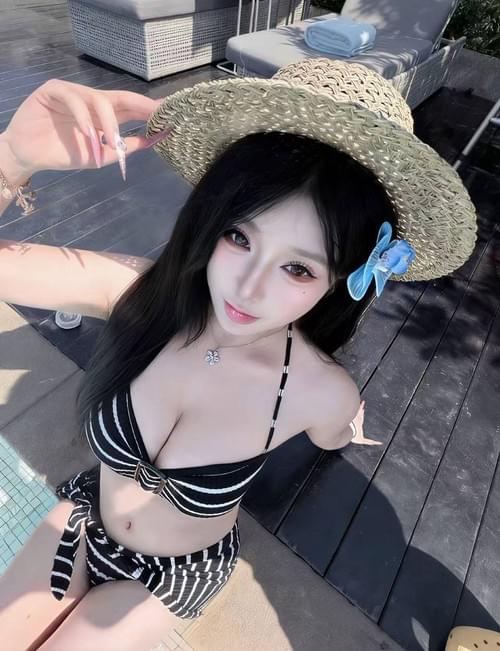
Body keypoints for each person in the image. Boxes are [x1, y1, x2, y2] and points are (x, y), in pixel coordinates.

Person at [0, 59, 476, 651]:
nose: (248, 289)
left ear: (342, 280)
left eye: (298, 268)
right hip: (85, 515)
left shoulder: (321, 390)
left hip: (174, 575)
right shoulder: (141, 294)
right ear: (212, 220)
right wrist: (12, 158)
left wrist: (345, 424)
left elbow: (336, 432)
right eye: (239, 236)